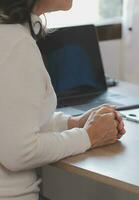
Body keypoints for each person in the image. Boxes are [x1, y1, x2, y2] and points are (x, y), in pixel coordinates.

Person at [0, 0, 126, 199]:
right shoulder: (16, 43)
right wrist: (88, 137)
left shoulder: (8, 33)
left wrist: (71, 123)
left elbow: (11, 119)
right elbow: (19, 152)